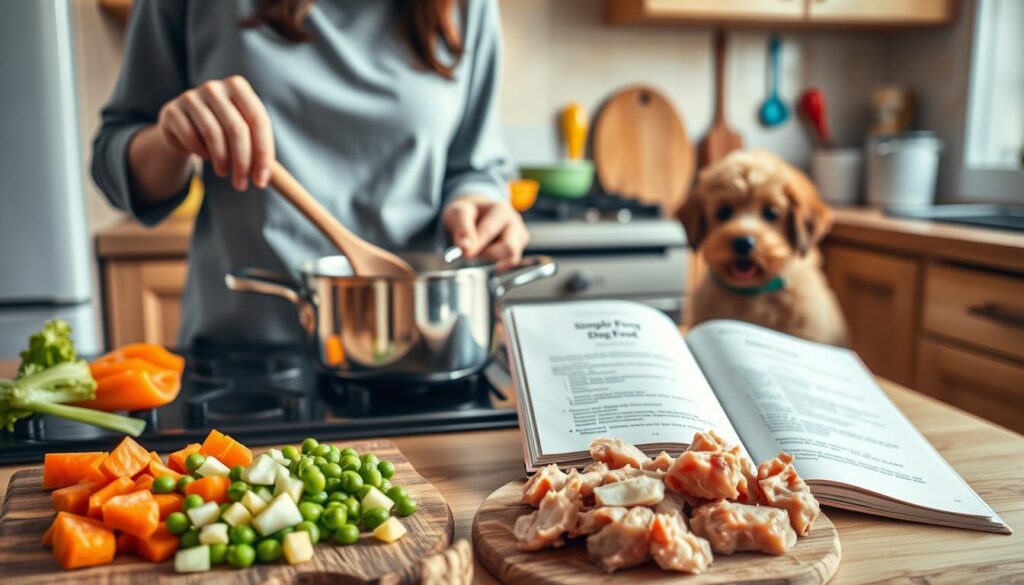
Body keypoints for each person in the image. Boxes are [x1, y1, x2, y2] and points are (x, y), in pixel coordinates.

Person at [92, 0, 526, 345]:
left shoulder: (467, 5)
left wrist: (478, 206)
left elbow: (475, 166)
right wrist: (172, 137)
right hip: (244, 355)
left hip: (417, 350)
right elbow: (114, 163)